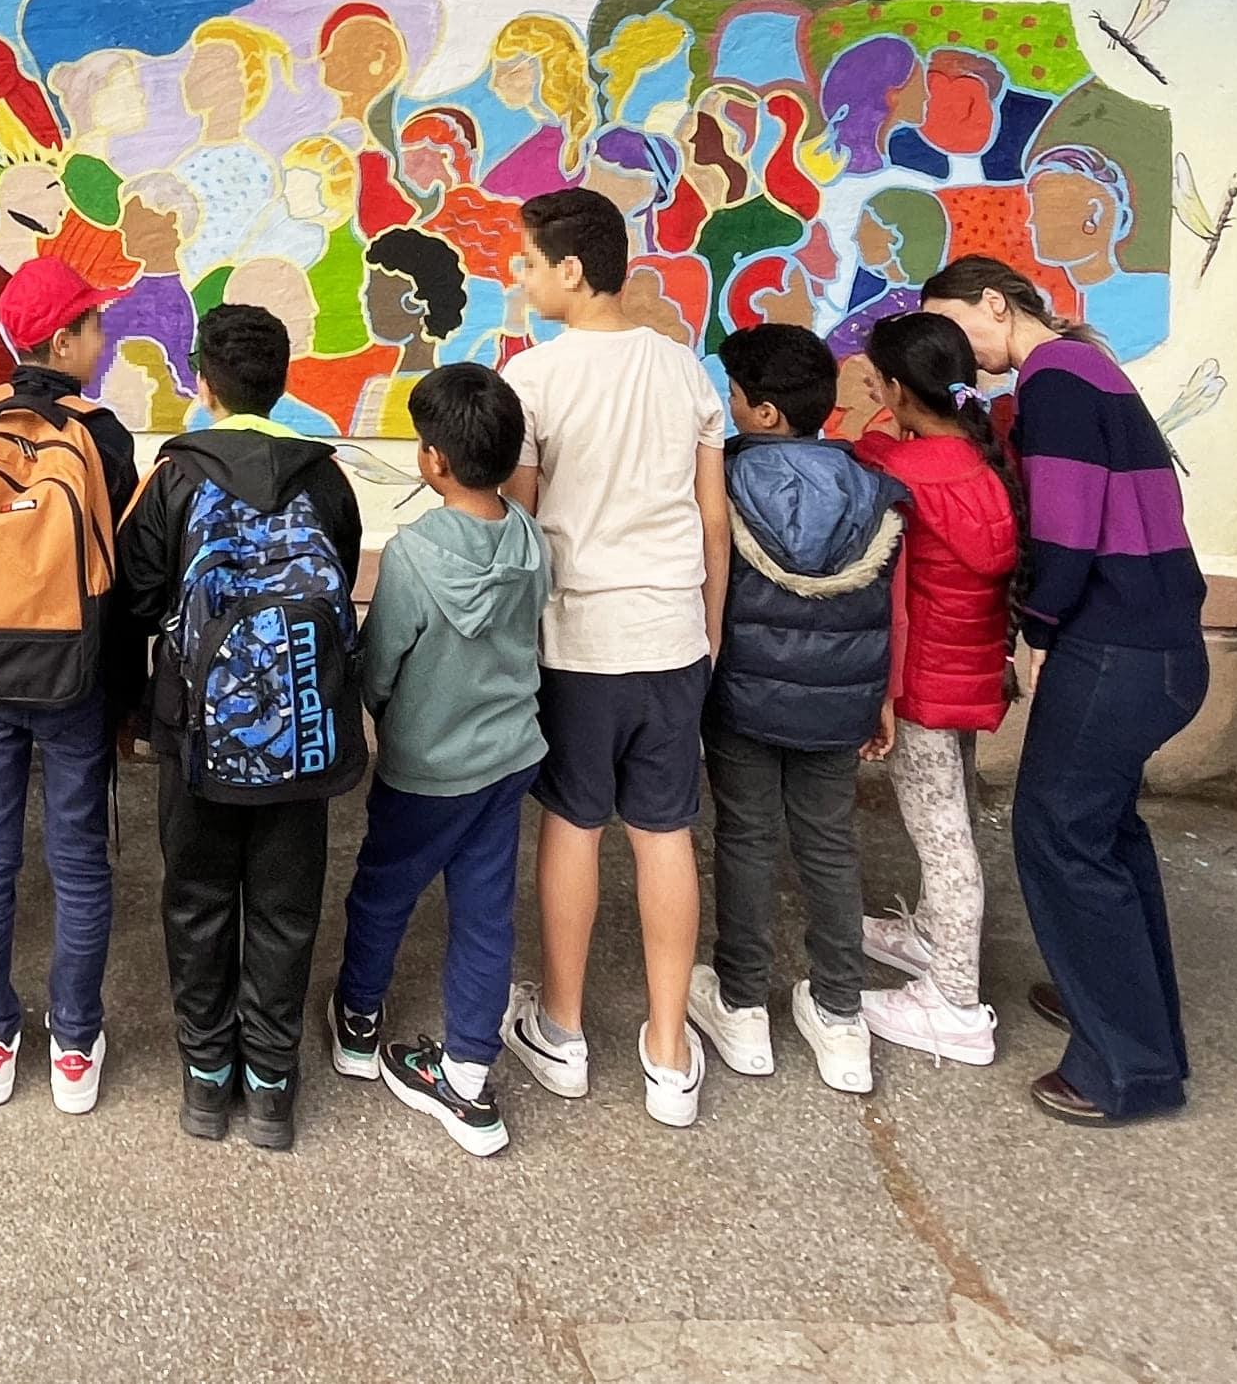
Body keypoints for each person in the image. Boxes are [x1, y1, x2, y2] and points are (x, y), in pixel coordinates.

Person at [920, 252, 1205, 1127]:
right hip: (1158, 643)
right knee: (1105, 836)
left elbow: (1069, 531)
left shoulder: (1058, 383)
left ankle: (1125, 1066)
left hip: (1113, 645)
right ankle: (1129, 1010)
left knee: (1060, 837)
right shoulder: (1086, 366)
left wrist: (1037, 628)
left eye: (959, 326)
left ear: (997, 306)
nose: (960, 354)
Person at [496, 187, 730, 1130]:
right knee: (667, 831)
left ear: (571, 270)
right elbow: (712, 517)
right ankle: (670, 1055)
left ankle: (561, 1029)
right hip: (672, 636)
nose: (517, 278)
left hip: (578, 644)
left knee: (574, 825)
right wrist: (708, 631)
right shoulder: (686, 373)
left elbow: (514, 522)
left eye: (524, 262)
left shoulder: (534, 380)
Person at [115, 301, 366, 1150]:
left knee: (196, 899)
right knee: (288, 907)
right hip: (303, 726)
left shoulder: (176, 473)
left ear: (201, 380)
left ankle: (204, 1077)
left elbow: (140, 599)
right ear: (285, 379)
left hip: (197, 731)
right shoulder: (323, 476)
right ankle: (271, 1089)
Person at [328, 363, 548, 1158]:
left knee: (383, 893)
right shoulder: (527, 536)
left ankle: (357, 1022)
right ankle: (465, 1076)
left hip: (425, 769)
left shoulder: (415, 555)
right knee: (486, 914)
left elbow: (380, 663)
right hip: (509, 759)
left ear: (433, 461)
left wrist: (388, 716)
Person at [0, 253, 137, 1114]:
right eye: (95, 324)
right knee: (78, 854)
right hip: (72, 675)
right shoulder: (104, 434)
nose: (104, 336)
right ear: (64, 340)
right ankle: (74, 1044)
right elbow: (121, 576)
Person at [690, 323, 904, 1098]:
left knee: (745, 838)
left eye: (736, 396)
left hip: (744, 695)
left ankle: (743, 1007)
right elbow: (892, 602)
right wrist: (882, 695)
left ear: (766, 413)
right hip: (841, 700)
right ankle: (841, 1016)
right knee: (830, 845)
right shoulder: (873, 488)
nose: (729, 406)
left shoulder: (726, 482)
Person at [848, 310, 1025, 1066]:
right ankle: (927, 936)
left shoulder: (901, 475)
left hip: (921, 682)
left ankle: (954, 1003)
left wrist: (881, 698)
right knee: (951, 814)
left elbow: (871, 463)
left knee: (942, 833)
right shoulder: (983, 466)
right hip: (970, 669)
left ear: (894, 387)